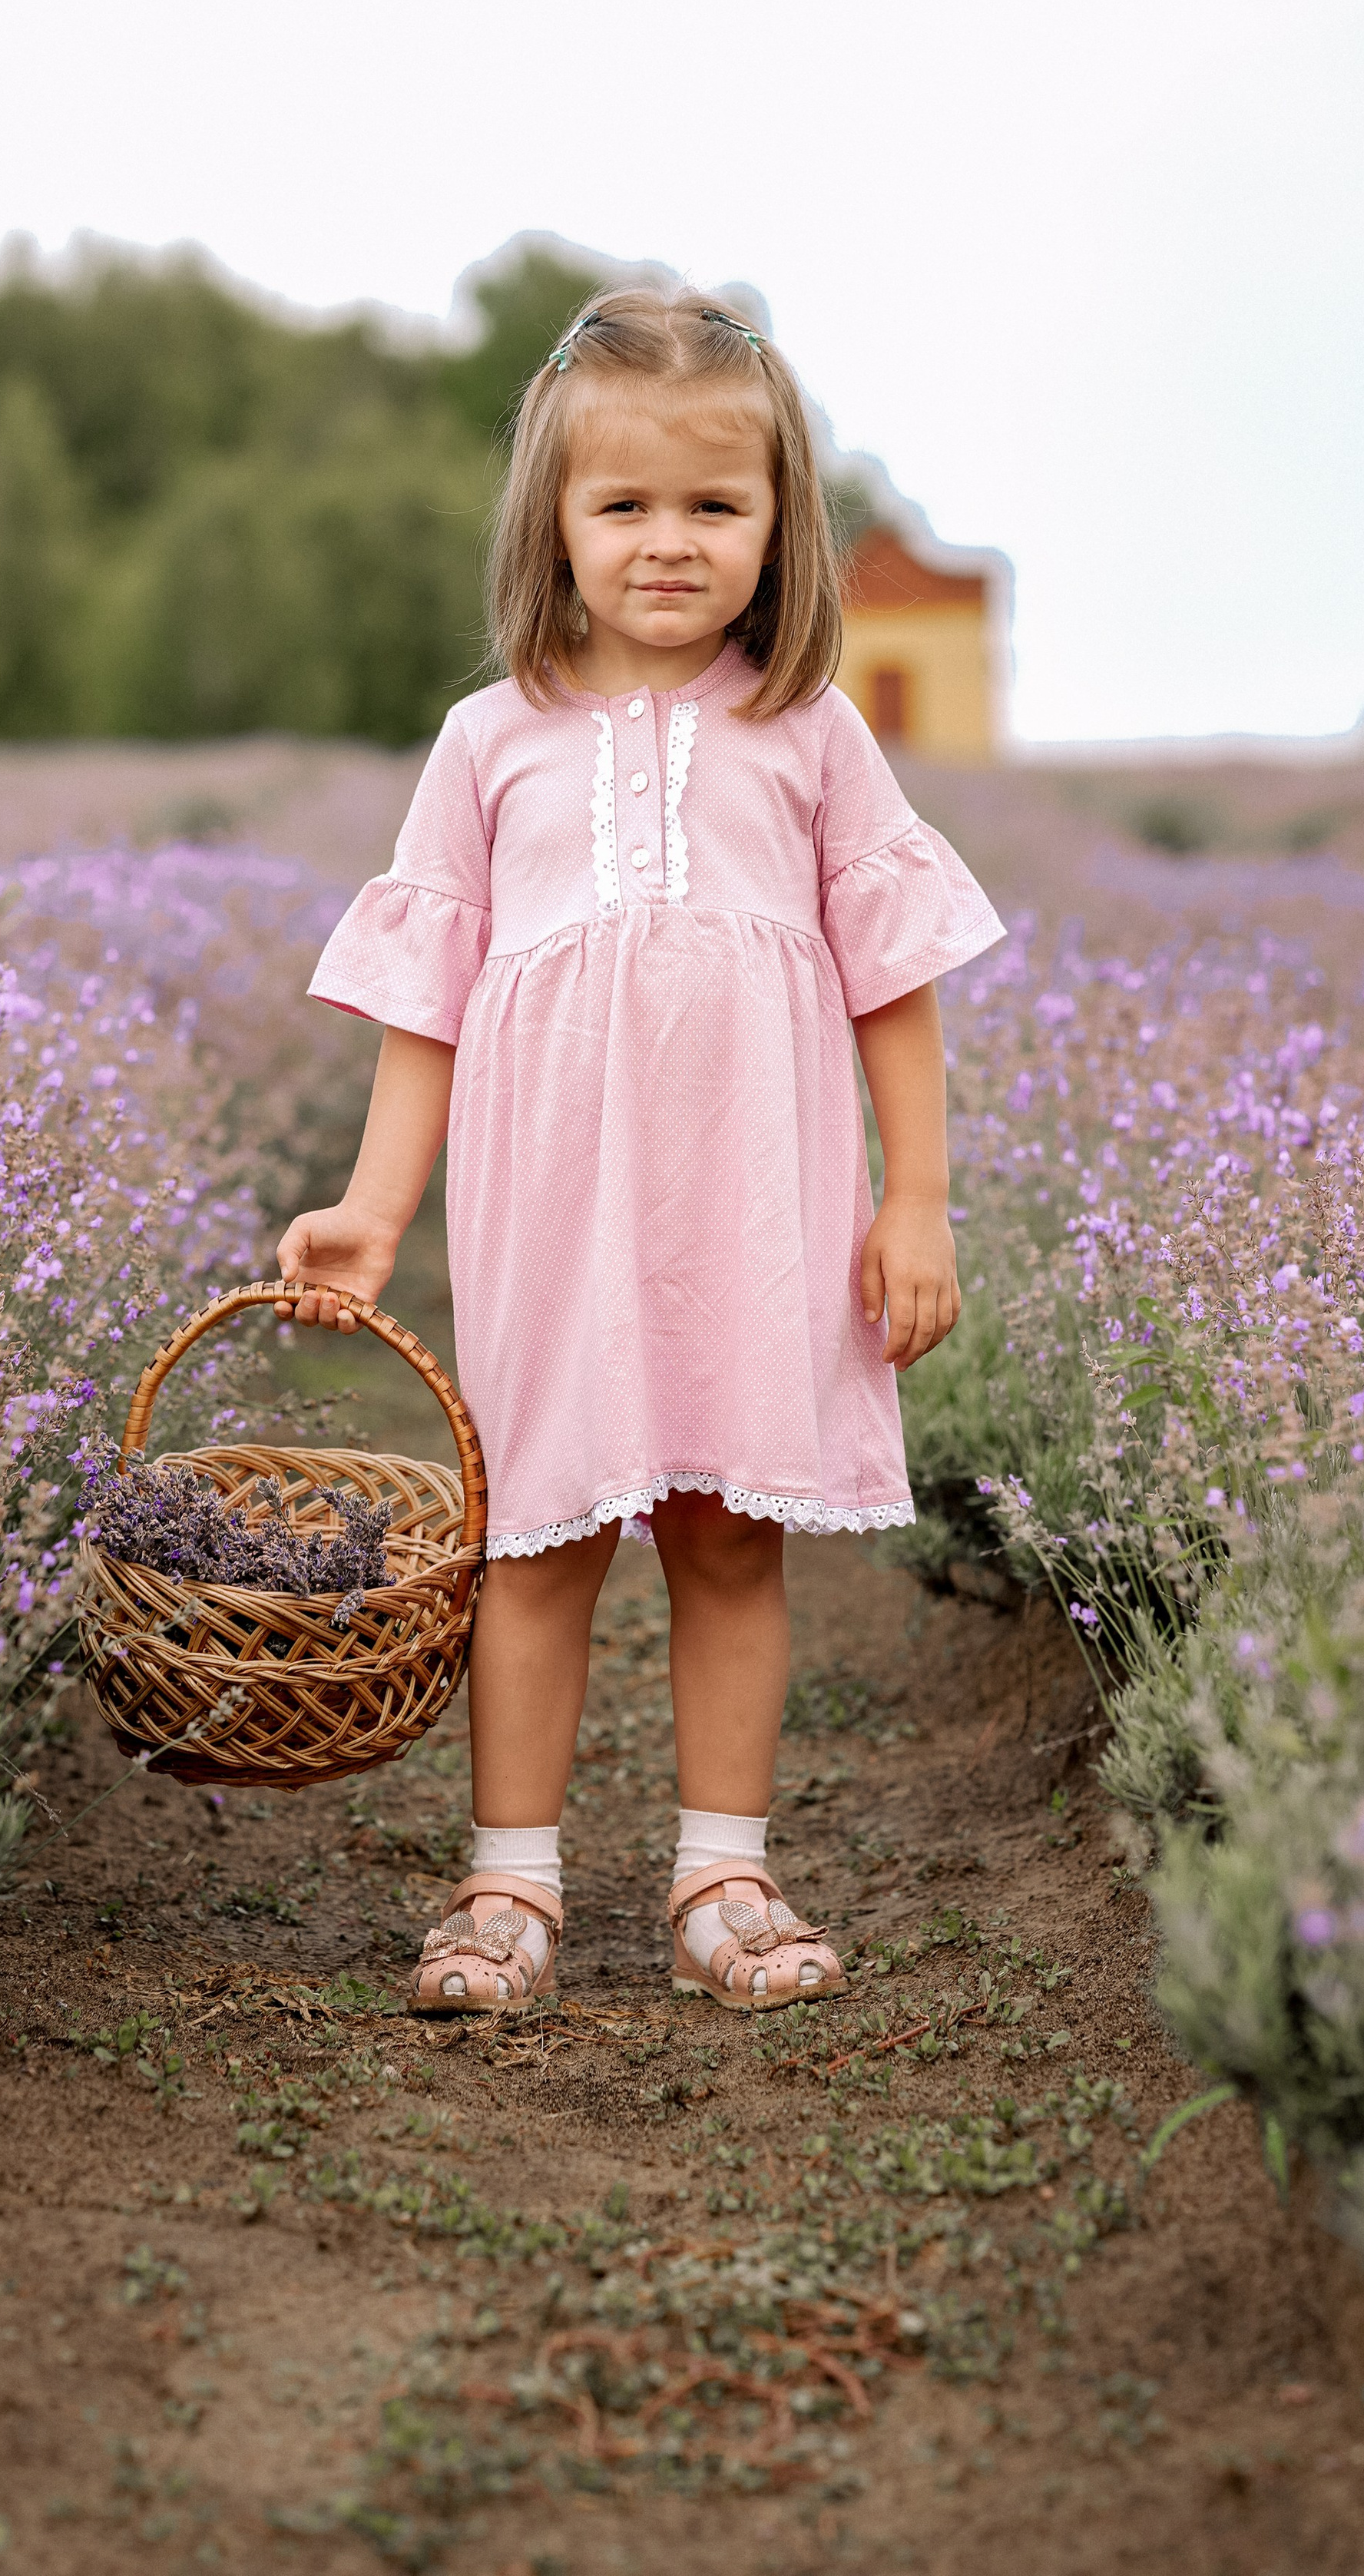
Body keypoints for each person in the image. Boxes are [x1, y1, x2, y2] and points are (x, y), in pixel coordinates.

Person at [278, 289, 1003, 2015]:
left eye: (712, 507)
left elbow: (890, 984)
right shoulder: (489, 742)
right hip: (552, 1218)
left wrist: (916, 1203)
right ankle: (508, 1885)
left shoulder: (809, 732)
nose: (667, 545)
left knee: (726, 1541)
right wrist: (374, 1211)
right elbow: (426, 1004)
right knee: (533, 1543)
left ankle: (720, 1871)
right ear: (554, 522)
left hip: (753, 1206)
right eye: (622, 507)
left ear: (778, 525)